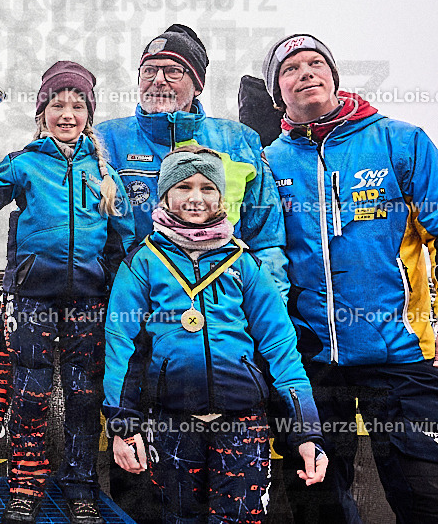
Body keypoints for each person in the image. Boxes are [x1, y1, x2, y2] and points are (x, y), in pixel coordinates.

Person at [261, 33, 438, 523]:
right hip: (310, 363)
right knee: (319, 506)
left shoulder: (401, 141)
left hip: (401, 354)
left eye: (315, 63)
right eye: (290, 69)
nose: (306, 73)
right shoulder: (269, 162)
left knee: (426, 498)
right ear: (278, 93)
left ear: (334, 76)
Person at [104, 146, 327, 524]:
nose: (196, 197)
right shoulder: (142, 261)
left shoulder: (244, 263)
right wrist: (123, 426)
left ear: (221, 196)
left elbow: (281, 348)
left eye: (207, 187)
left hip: (242, 425)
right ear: (164, 195)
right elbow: (121, 346)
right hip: (171, 423)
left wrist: (306, 434)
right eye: (183, 186)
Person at [0, 61, 135, 524]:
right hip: (32, 298)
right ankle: (25, 485)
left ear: (89, 115)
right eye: (57, 105)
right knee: (30, 393)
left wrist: (118, 291)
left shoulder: (105, 171)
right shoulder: (24, 162)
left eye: (77, 106)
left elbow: (126, 238)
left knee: (83, 396)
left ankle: (81, 488)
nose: (67, 114)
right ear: (42, 113)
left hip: (89, 301)